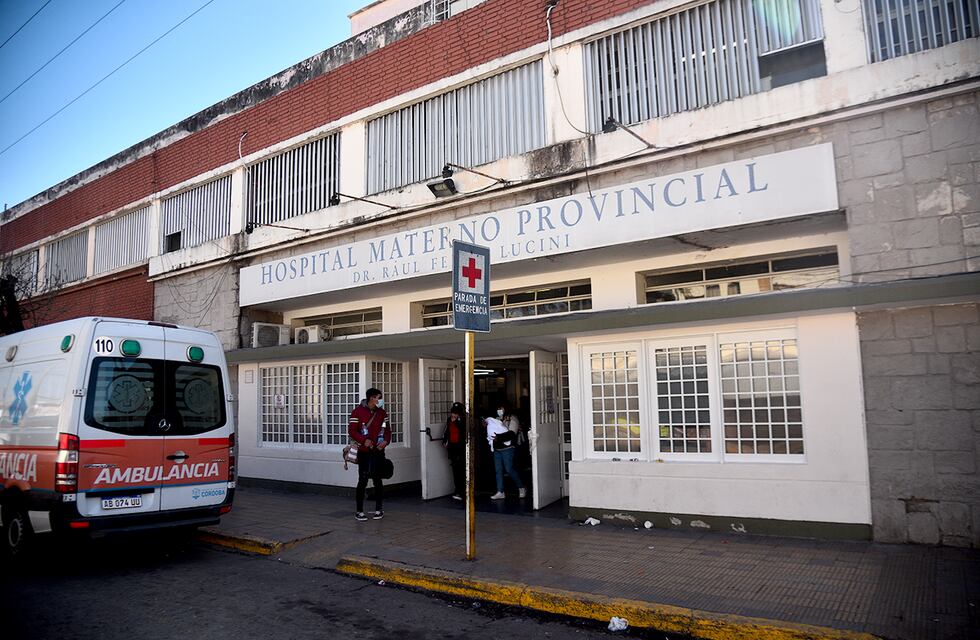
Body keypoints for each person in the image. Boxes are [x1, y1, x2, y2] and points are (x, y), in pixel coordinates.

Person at [348, 387, 390, 521]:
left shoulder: (382, 413)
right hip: (364, 451)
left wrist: (386, 441)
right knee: (363, 480)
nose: (381, 400)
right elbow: (352, 430)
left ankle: (379, 509)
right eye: (379, 397)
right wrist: (363, 440)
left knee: (378, 480)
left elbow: (387, 429)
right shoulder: (357, 412)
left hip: (378, 450)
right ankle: (359, 511)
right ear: (372, 398)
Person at [485, 415, 525, 500]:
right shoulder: (496, 419)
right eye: (498, 408)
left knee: (509, 469)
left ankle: (521, 487)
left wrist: (498, 437)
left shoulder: (513, 419)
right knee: (498, 471)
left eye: (501, 408)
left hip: (508, 448)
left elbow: (512, 434)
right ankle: (500, 491)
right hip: (497, 449)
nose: (500, 410)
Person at [443, 402, 466, 501]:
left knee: (461, 470)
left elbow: (463, 430)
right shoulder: (449, 420)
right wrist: (445, 441)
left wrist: (456, 421)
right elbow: (447, 431)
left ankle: (462, 491)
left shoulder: (463, 421)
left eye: (456, 413)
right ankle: (457, 490)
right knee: (455, 470)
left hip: (460, 448)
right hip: (452, 448)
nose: (453, 415)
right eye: (453, 412)